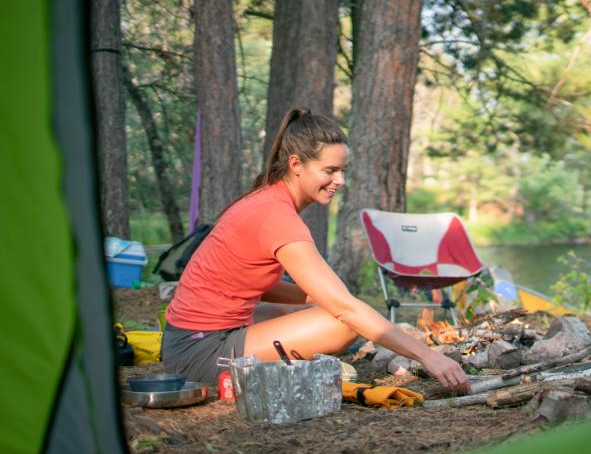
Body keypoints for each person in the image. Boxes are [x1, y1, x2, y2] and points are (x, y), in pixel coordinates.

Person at [162, 107, 470, 394]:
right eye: (331, 171)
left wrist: (321, 299)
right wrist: (428, 356)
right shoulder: (276, 216)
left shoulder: (266, 200)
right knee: (343, 322)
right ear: (296, 164)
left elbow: (255, 284)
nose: (340, 181)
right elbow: (346, 310)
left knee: (328, 308)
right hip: (201, 353)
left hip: (191, 338)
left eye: (343, 170)